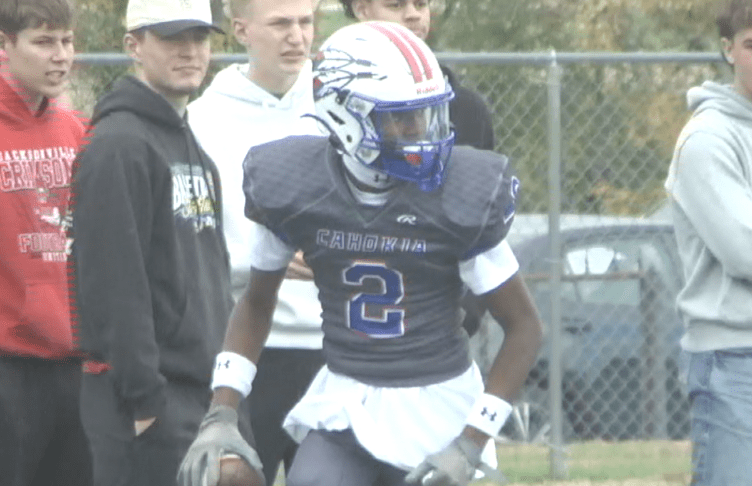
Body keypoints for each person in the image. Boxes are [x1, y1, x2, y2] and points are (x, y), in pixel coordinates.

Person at [179, 21, 543, 486]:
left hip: (440, 405)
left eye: (427, 115)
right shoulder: (295, 183)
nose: (419, 132)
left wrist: (472, 440)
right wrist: (222, 409)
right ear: (345, 116)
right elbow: (255, 302)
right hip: (345, 401)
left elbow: (525, 326)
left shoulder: (458, 193)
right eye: (401, 118)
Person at [70, 0, 245, 485]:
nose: (190, 51)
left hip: (203, 393)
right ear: (134, 46)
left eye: (200, 37)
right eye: (172, 38)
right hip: (148, 404)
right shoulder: (118, 145)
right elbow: (113, 285)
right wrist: (146, 401)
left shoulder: (187, 140)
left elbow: (210, 273)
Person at [187, 0, 324, 483]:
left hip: (336, 354)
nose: (297, 37)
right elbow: (190, 246)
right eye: (280, 23)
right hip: (246, 354)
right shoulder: (202, 122)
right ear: (241, 30)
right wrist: (263, 260)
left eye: (306, 22)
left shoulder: (341, 108)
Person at [339, 0, 495, 337]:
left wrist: (467, 313)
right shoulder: (333, 101)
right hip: (343, 314)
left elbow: (483, 226)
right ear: (362, 8)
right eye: (396, 4)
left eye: (421, 3)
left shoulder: (466, 110)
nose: (413, 14)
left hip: (436, 316)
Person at [0, 1, 91, 485]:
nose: (60, 56)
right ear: (5, 44)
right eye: (43, 42)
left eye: (67, 41)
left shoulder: (76, 129)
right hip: (10, 366)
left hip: (76, 364)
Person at [665, 0, 752, 484]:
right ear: (728, 50)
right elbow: (745, 251)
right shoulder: (707, 139)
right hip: (736, 361)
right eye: (751, 44)